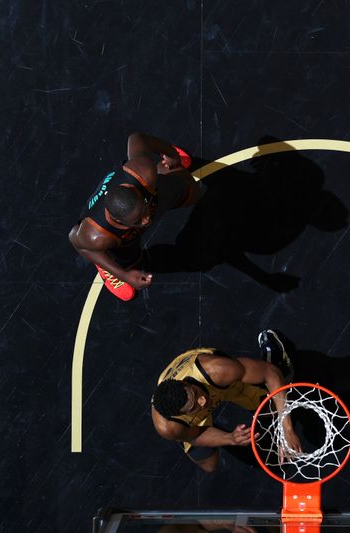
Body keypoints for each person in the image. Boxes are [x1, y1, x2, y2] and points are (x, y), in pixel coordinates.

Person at [68, 132, 202, 301]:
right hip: (122, 240)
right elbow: (77, 241)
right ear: (119, 221)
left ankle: (164, 171)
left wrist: (171, 154)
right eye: (138, 221)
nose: (146, 221)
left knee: (192, 191)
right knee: (132, 263)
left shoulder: (142, 171)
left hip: (152, 198)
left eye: (143, 213)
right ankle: (106, 267)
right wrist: (124, 275)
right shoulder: (97, 235)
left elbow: (137, 138)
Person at [151, 329, 298, 473]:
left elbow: (270, 373)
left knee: (273, 406)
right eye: (193, 406)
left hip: (219, 386)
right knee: (209, 465)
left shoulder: (217, 370)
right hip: (192, 419)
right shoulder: (169, 428)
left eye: (195, 394)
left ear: (185, 384)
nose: (202, 401)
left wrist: (287, 428)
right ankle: (203, 424)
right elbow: (195, 437)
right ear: (179, 415)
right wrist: (230, 438)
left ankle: (274, 355)